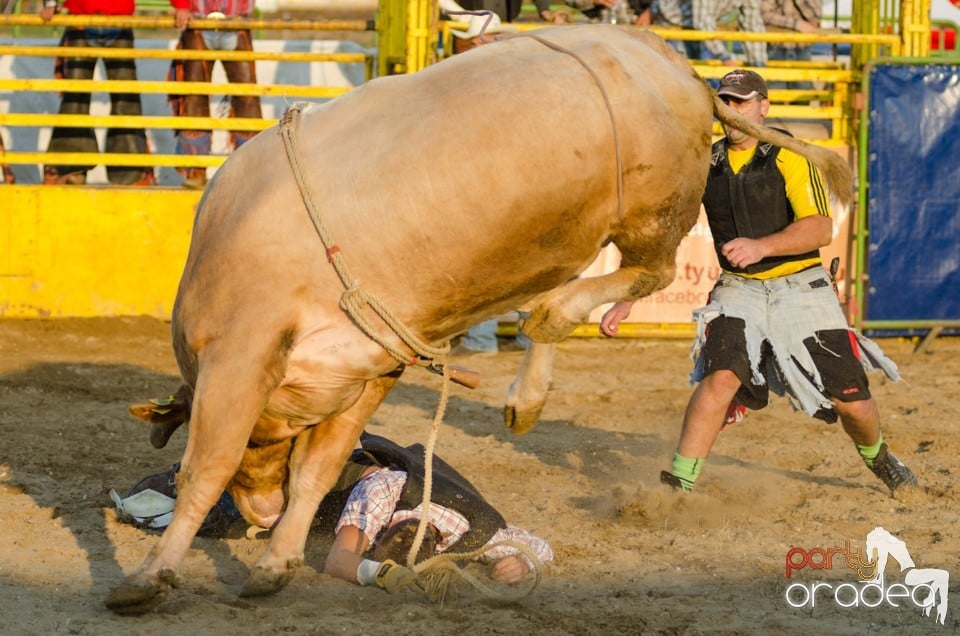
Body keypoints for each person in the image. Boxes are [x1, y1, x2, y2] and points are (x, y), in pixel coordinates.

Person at [600, 69, 917, 496]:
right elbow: (669, 230)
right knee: (720, 377)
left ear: (763, 106)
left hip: (801, 286)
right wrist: (632, 294)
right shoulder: (703, 164)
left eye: (742, 102)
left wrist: (762, 246)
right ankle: (677, 484)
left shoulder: (790, 155)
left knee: (852, 403)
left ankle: (878, 456)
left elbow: (820, 229)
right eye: (725, 103)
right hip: (739, 289)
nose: (732, 112)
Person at [111, 432, 553, 592]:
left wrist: (523, 564)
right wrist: (381, 576)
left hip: (341, 474)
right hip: (329, 473)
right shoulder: (379, 496)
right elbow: (339, 562)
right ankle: (183, 474)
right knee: (238, 510)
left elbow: (537, 548)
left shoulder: (462, 528)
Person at [39, 0, 154, 186]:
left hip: (119, 17)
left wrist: (182, 6)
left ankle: (130, 171)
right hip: (80, 18)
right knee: (74, 97)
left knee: (125, 97)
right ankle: (71, 167)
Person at [167, 0, 263, 189]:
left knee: (247, 99)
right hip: (196, 21)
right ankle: (194, 170)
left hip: (238, 21)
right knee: (193, 98)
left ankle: (251, 169)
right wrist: (181, 5)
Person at [761, 0, 820, 89]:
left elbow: (816, 17)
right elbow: (765, 15)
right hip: (777, 47)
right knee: (776, 93)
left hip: (802, 48)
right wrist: (797, 24)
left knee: (803, 93)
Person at [693, 0, 768, 67]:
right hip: (685, 32)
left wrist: (758, 63)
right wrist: (725, 57)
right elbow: (703, 22)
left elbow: (752, 25)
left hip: (707, 35)